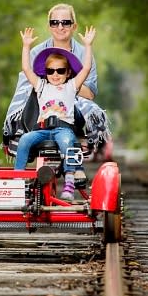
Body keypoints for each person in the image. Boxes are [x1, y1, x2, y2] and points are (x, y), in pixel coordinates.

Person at [2, 3, 111, 177]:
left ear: (73, 26)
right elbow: (26, 82)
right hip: (40, 103)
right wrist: (49, 87)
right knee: (30, 97)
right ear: (49, 26)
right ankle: (21, 158)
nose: (60, 26)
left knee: (83, 107)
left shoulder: (83, 53)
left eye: (65, 22)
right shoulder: (36, 52)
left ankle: (75, 167)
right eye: (55, 22)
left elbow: (89, 93)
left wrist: (64, 85)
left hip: (72, 106)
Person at [14, 26, 97, 201]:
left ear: (68, 73)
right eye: (51, 71)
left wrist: (88, 46)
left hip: (63, 128)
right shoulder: (41, 85)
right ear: (46, 72)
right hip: (42, 128)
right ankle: (18, 179)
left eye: (60, 71)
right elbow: (26, 69)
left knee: (68, 142)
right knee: (25, 139)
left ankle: (68, 182)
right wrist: (26, 47)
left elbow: (86, 68)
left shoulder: (71, 86)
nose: (55, 74)